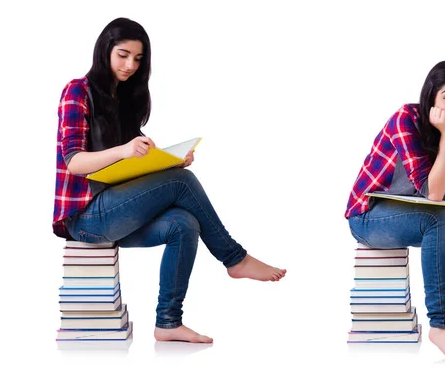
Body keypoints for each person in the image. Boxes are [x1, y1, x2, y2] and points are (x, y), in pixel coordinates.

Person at [53, 17, 286, 343]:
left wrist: (169, 161)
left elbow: (133, 166)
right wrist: (126, 151)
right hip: (87, 217)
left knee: (184, 222)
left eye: (137, 59)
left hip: (117, 208)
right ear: (105, 50)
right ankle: (235, 259)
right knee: (182, 182)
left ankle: (168, 322)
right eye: (122, 55)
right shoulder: (77, 91)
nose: (130, 65)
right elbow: (74, 162)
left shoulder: (121, 99)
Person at [345, 60, 445, 360]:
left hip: (407, 212)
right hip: (367, 216)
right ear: (431, 97)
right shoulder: (406, 118)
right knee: (439, 217)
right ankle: (441, 325)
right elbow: (435, 194)